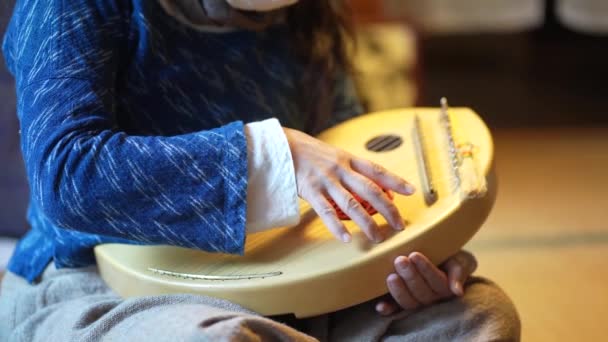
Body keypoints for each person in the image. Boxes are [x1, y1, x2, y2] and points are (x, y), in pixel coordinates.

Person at [0, 0, 520, 340]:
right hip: (99, 280)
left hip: (291, 275)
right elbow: (66, 177)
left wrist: (407, 254)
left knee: (477, 317)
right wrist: (274, 156)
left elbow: (352, 164)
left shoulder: (306, 16)